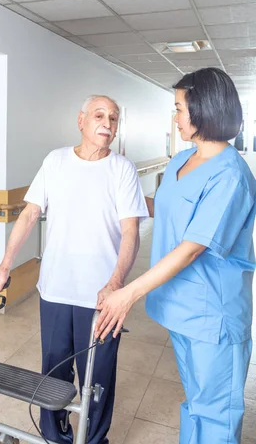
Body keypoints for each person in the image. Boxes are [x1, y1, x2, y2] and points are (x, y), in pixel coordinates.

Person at [95, 68, 256, 444]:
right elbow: (165, 208)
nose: (176, 117)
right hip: (179, 309)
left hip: (212, 315)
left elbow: (192, 248)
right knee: (196, 403)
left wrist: (128, 293)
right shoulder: (181, 161)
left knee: (216, 413)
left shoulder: (231, 175)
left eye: (180, 108)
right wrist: (112, 202)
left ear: (204, 109)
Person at [0, 95, 148, 444]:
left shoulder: (122, 169)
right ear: (81, 120)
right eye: (99, 115)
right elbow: (29, 214)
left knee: (98, 377)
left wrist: (116, 282)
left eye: (114, 119)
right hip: (56, 289)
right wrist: (4, 265)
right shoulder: (55, 161)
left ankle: (93, 440)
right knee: (55, 373)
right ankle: (55, 437)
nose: (107, 123)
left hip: (104, 298)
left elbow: (130, 232)